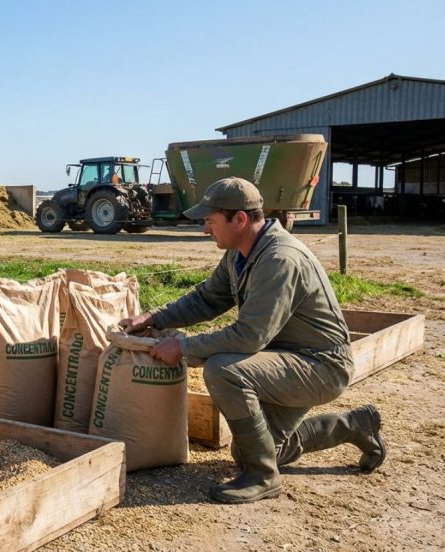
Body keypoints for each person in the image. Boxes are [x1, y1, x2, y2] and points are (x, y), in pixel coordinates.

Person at [120, 177, 385, 504]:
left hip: (321, 366)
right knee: (250, 450)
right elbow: (206, 299)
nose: (205, 229)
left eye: (210, 221)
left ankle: (263, 477)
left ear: (240, 219)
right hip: (288, 358)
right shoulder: (240, 253)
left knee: (223, 370)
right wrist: (153, 318)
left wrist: (184, 348)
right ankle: (354, 426)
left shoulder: (279, 259)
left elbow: (249, 336)